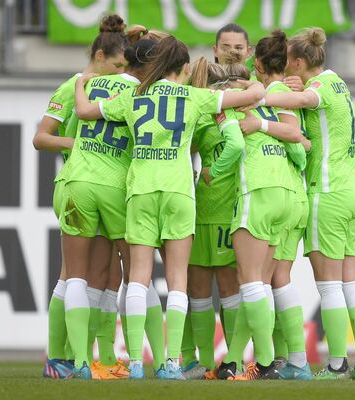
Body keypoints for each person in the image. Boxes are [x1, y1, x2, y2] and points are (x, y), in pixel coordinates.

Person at [74, 36, 267, 380]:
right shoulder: (195, 97)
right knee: (177, 280)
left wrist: (79, 82)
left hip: (141, 191)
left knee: (138, 277)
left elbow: (85, 111)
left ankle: (135, 363)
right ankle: (171, 365)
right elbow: (256, 95)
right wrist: (247, 80)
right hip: (179, 193)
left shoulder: (133, 96)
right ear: (182, 69)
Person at [262, 27, 355, 381]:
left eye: (289, 65)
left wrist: (258, 94)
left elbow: (298, 103)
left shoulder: (320, 89)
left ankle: (338, 363)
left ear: (297, 62)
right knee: (351, 281)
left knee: (329, 285)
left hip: (329, 192)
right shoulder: (337, 82)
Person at [33, 14, 136, 380]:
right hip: (80, 181)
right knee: (72, 273)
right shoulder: (73, 86)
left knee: (107, 275)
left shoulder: (122, 87)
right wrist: (73, 143)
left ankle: (98, 356)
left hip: (107, 185)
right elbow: (41, 137)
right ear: (98, 56)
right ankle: (61, 357)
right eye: (117, 64)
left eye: (125, 66)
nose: (121, 71)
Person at [239, 30, 313, 380]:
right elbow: (299, 145)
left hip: (263, 189)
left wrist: (257, 124)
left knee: (254, 280)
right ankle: (294, 360)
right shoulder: (287, 92)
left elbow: (293, 136)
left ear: (257, 64)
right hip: (293, 193)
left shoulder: (262, 92)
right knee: (277, 279)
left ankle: (266, 362)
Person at [180, 55, 248, 380]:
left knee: (218, 285)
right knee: (203, 288)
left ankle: (228, 362)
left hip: (218, 207)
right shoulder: (202, 112)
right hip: (203, 208)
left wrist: (211, 172)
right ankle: (209, 364)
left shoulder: (221, 111)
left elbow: (235, 147)